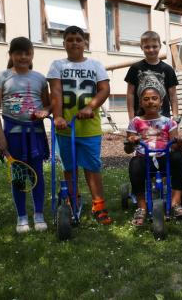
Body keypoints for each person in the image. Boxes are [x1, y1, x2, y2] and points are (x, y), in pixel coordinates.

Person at [47, 25, 112, 225]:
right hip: (66, 127)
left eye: (78, 39)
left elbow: (104, 90)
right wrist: (57, 117)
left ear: (85, 43)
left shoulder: (95, 65)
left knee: (92, 167)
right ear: (64, 43)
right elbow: (56, 92)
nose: (74, 43)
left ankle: (98, 205)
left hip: (89, 127)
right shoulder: (58, 65)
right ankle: (72, 202)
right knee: (70, 166)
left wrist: (91, 107)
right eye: (70, 39)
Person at [0, 37, 50, 233]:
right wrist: (0, 137)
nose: (23, 57)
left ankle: (39, 215)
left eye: (27, 53)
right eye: (18, 53)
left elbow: (48, 104)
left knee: (37, 175)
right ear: (11, 55)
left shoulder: (40, 79)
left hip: (35, 134)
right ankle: (22, 217)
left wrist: (46, 112)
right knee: (18, 176)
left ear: (32, 54)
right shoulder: (1, 77)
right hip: (12, 135)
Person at [124, 79, 182, 226]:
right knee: (134, 163)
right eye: (146, 99)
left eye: (154, 98)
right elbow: (128, 150)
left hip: (164, 158)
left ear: (161, 102)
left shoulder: (169, 122)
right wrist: (131, 141)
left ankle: (175, 203)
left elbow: (174, 147)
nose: (150, 102)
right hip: (144, 160)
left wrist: (177, 143)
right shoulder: (135, 122)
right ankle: (141, 207)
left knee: (179, 156)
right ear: (140, 103)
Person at [125, 30, 179, 121]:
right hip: (140, 118)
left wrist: (175, 116)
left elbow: (173, 95)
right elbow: (130, 94)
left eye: (154, 46)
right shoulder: (135, 68)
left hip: (163, 118)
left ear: (160, 46)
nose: (151, 50)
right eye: (147, 47)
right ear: (141, 47)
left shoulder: (168, 70)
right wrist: (131, 117)